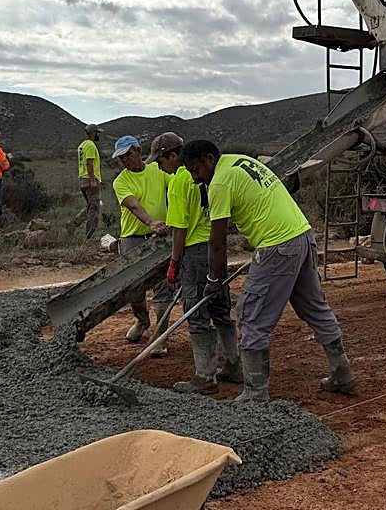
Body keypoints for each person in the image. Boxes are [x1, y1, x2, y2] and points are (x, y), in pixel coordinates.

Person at [182, 139, 356, 403]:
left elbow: (218, 244)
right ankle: (342, 373)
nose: (195, 179)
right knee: (313, 306)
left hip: (277, 246)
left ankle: (255, 393)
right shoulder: (240, 160)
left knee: (250, 316)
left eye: (196, 170)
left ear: (209, 159)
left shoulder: (219, 182)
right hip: (302, 235)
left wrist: (213, 280)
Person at [150, 131, 242, 394]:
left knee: (196, 313)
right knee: (220, 309)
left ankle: (205, 375)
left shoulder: (180, 181)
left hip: (194, 252)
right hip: (215, 252)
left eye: (161, 161)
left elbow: (178, 229)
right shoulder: (208, 175)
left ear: (173, 156)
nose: (160, 166)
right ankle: (234, 365)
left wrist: (174, 263)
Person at [111, 134, 177, 354]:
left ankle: (160, 338)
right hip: (133, 237)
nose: (125, 160)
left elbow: (176, 188)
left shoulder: (158, 170)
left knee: (163, 287)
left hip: (161, 236)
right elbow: (133, 205)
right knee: (134, 288)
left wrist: (176, 219)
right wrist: (151, 222)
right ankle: (142, 321)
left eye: (128, 155)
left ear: (138, 151)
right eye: (121, 158)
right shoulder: (121, 181)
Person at [75, 124, 103, 239]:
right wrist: (93, 180)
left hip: (82, 179)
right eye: (97, 132)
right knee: (94, 208)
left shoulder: (82, 145)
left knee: (90, 205)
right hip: (90, 179)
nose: (98, 135)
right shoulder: (91, 145)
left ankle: (74, 223)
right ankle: (89, 236)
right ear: (93, 133)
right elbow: (89, 163)